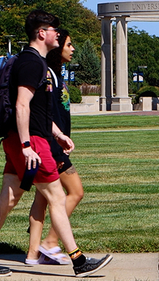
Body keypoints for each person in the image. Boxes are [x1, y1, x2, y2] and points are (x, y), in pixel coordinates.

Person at [0, 10, 112, 277]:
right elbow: (22, 105)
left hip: (23, 139)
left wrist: (57, 132)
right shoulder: (32, 63)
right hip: (31, 142)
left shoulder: (36, 62)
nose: (58, 35)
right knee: (58, 197)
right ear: (42, 33)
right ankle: (78, 260)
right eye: (54, 31)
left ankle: (73, 258)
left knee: (10, 198)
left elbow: (38, 110)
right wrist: (28, 145)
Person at [26, 29, 84, 265]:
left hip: (50, 144)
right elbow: (46, 114)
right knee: (75, 192)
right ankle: (50, 242)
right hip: (49, 146)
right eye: (68, 44)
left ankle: (32, 254)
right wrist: (56, 144)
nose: (71, 48)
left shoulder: (56, 74)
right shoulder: (48, 75)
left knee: (41, 199)